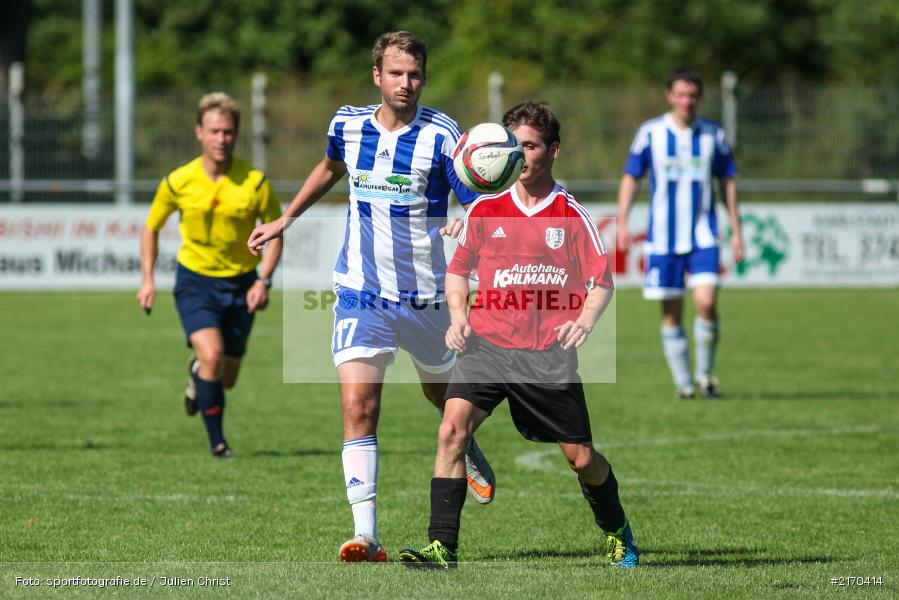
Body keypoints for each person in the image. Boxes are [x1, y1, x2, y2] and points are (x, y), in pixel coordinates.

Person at [247, 31, 495, 562]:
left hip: (428, 296)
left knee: (442, 398)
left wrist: (464, 224)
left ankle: (463, 441)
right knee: (359, 405)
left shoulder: (442, 135)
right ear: (377, 75)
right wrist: (285, 219)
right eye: (397, 73)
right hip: (362, 291)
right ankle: (366, 534)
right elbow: (331, 167)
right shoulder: (348, 124)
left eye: (416, 74)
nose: (407, 83)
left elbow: (475, 198)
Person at [399, 101, 638, 569]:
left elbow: (601, 282)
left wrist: (583, 321)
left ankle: (618, 532)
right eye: (515, 145)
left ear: (554, 151)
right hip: (485, 346)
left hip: (545, 356)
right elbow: (457, 271)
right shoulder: (485, 210)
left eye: (530, 145)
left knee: (582, 460)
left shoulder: (571, 215)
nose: (521, 155)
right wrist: (458, 318)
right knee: (451, 431)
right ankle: (441, 546)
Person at [137, 92, 283, 458]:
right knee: (214, 357)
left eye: (229, 132)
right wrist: (148, 279)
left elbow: (275, 230)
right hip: (195, 281)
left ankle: (196, 373)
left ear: (237, 135)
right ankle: (218, 443)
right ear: (199, 132)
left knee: (226, 376)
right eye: (215, 131)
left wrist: (264, 279)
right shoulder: (178, 181)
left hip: (242, 284)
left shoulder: (254, 182)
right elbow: (151, 228)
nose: (222, 139)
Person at [617, 67, 745, 399]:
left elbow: (727, 182)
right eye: (681, 94)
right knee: (672, 311)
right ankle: (684, 385)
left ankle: (705, 376)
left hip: (703, 234)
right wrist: (621, 221)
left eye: (692, 95)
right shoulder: (650, 133)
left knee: (706, 301)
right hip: (662, 237)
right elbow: (632, 177)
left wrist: (736, 231)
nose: (687, 101)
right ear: (669, 96)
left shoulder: (713, 135)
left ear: (699, 98)